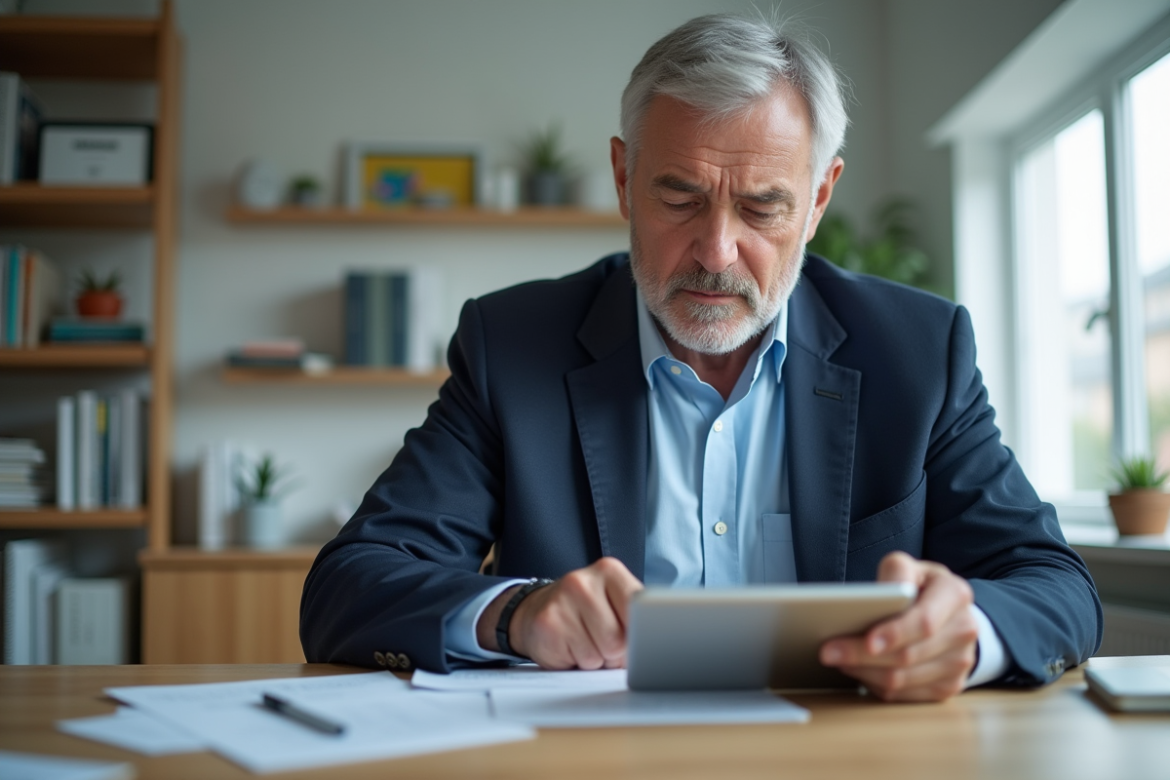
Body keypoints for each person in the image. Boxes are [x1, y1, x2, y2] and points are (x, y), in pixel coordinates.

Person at [301, 13, 1101, 702]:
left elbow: (1055, 585)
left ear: (819, 200)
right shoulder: (512, 347)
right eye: (679, 198)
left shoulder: (919, 354)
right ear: (624, 178)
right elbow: (346, 587)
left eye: (763, 207)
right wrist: (515, 614)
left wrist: (968, 633)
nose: (716, 252)